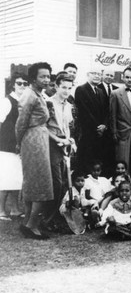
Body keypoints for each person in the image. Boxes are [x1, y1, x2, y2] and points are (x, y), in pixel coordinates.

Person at [16, 62, 54, 239]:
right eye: (42, 76)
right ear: (33, 78)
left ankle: (28, 223)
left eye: (48, 76)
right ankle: (31, 225)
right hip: (33, 142)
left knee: (35, 182)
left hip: (39, 140)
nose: (46, 79)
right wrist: (19, 143)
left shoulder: (38, 94)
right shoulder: (29, 95)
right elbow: (20, 123)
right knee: (40, 182)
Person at [45, 73, 75, 225]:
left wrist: (70, 141)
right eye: (63, 87)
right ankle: (48, 218)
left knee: (64, 182)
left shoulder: (69, 105)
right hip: (51, 146)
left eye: (69, 88)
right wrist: (58, 140)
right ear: (56, 86)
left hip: (64, 147)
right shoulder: (48, 103)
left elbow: (67, 127)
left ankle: (58, 215)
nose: (66, 91)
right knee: (55, 183)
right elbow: (42, 128)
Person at [0, 72, 28, 220]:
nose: (22, 86)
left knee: (17, 178)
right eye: (19, 83)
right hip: (6, 147)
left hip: (20, 146)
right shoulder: (6, 101)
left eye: (25, 83)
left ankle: (15, 209)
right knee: (5, 178)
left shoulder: (24, 101)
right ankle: (1, 211)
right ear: (13, 85)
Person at [74, 71, 108, 172]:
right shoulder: (81, 89)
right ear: (88, 75)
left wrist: (104, 125)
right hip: (87, 133)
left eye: (99, 74)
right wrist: (97, 127)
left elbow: (106, 111)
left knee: (96, 161)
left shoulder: (101, 91)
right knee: (86, 162)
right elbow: (84, 111)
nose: (97, 76)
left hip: (100, 134)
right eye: (94, 73)